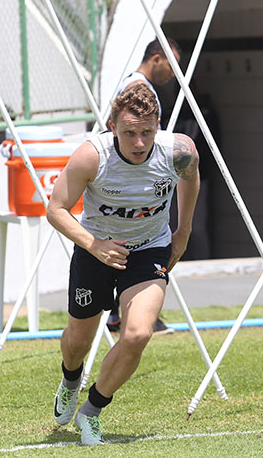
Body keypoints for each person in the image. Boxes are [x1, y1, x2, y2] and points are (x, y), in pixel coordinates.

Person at [46, 83, 200, 445]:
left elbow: (190, 180)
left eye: (147, 132)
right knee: (78, 343)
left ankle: (92, 411)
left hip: (150, 248)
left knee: (137, 334)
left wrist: (183, 231)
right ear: (113, 127)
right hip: (97, 248)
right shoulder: (91, 156)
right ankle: (70, 381)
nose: (139, 143)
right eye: (129, 133)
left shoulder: (179, 150)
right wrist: (94, 245)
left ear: (158, 126)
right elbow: (56, 210)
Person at [107, 37, 183, 334]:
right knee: (137, 243)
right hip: (133, 185)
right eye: (172, 64)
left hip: (132, 182)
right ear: (157, 59)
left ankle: (120, 313)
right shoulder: (138, 89)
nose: (174, 73)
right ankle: (127, 313)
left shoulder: (134, 84)